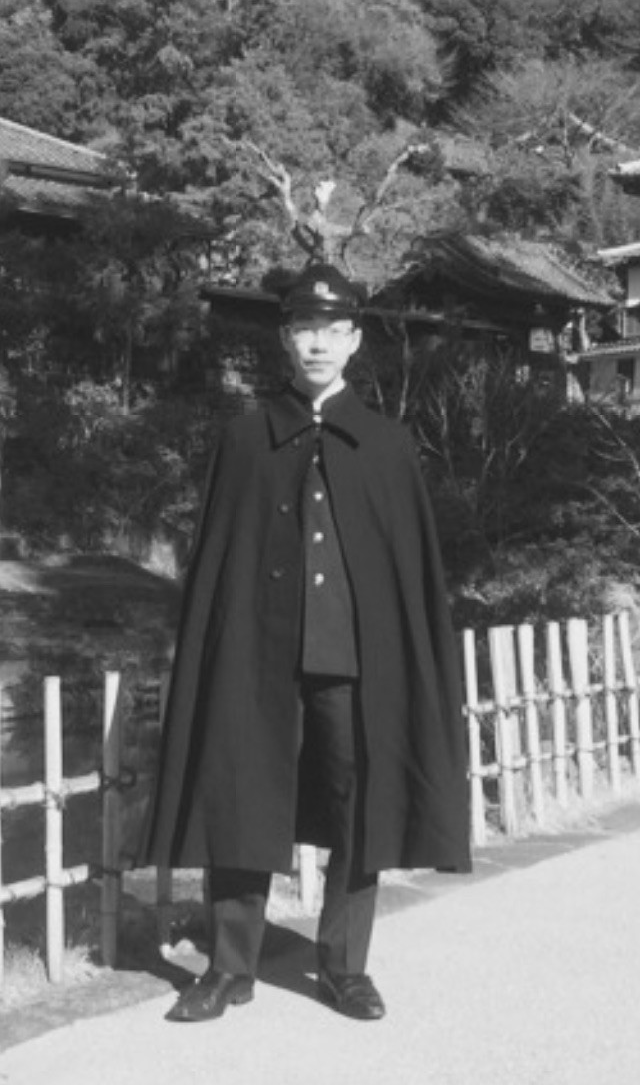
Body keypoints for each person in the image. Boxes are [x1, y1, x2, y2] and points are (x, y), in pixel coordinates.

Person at [141, 261, 471, 1024]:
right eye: (304, 329)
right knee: (241, 798)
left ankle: (343, 968)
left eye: (332, 329)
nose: (317, 343)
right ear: (286, 340)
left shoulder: (387, 446)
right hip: (256, 660)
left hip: (353, 662)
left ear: (354, 341)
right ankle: (230, 968)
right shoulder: (244, 440)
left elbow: (409, 574)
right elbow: (218, 563)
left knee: (359, 810)